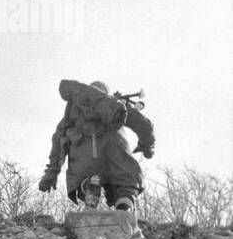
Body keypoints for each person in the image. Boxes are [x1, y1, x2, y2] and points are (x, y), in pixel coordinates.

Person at [38, 79, 154, 211]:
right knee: (126, 184)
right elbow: (145, 125)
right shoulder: (115, 107)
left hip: (85, 165)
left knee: (88, 179)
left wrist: (51, 173)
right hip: (116, 159)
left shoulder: (72, 115)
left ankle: (90, 187)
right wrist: (147, 146)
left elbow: (58, 144)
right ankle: (124, 208)